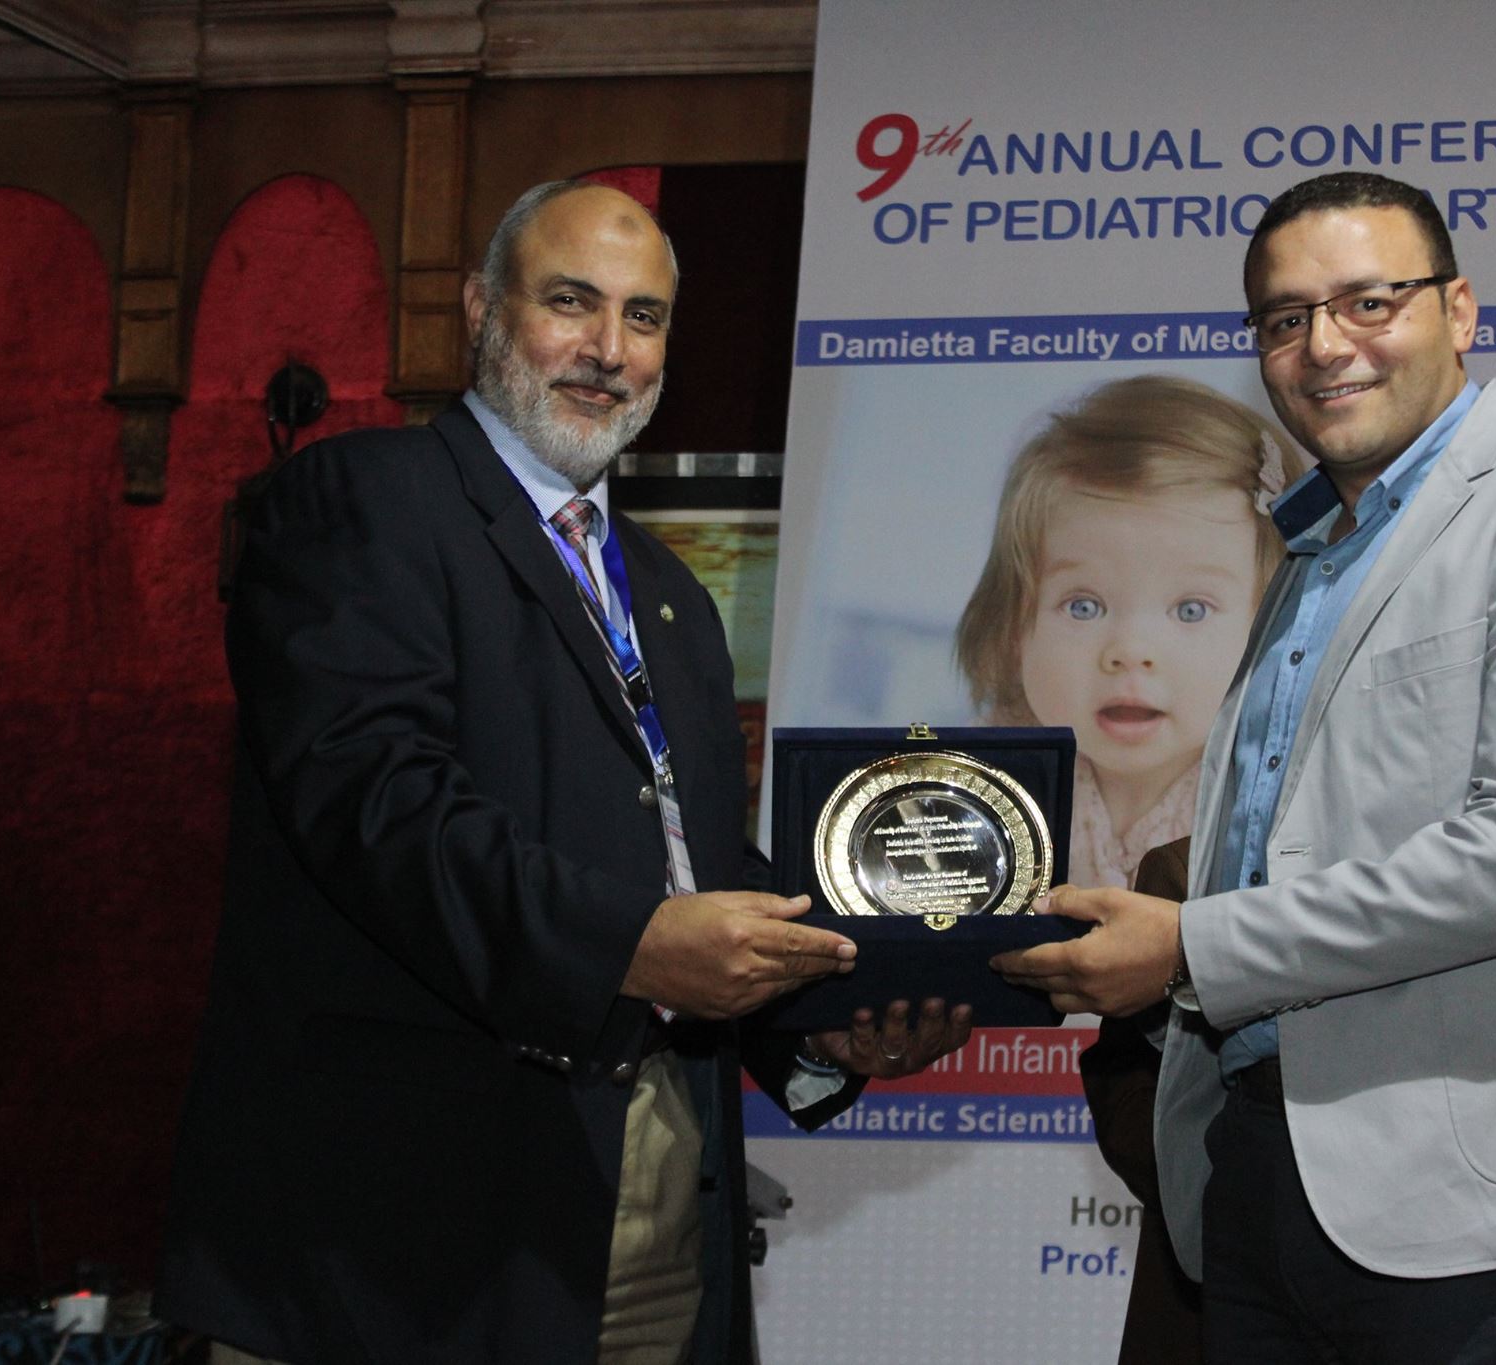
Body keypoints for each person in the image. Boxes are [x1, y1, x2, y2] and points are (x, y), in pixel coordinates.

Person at [157, 180, 969, 1365]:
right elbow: (376, 807)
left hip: (654, 1207)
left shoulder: (671, 593)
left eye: (643, 318)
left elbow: (691, 865)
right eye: (570, 302)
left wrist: (817, 1026)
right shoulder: (362, 501)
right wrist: (628, 946)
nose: (607, 350)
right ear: (481, 309)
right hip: (394, 1236)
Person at [994, 170, 1496, 1363]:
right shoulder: (1310, 553)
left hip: (1467, 1207)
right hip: (1254, 1170)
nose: (1323, 346)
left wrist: (1189, 947)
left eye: (1369, 302)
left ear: (1457, 311)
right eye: (1284, 318)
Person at [954, 374, 1296, 890]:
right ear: (1013, 627)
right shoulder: (987, 773)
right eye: (1084, 606)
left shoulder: (1271, 797)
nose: (1130, 652)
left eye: (1190, 610)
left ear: (1275, 628)